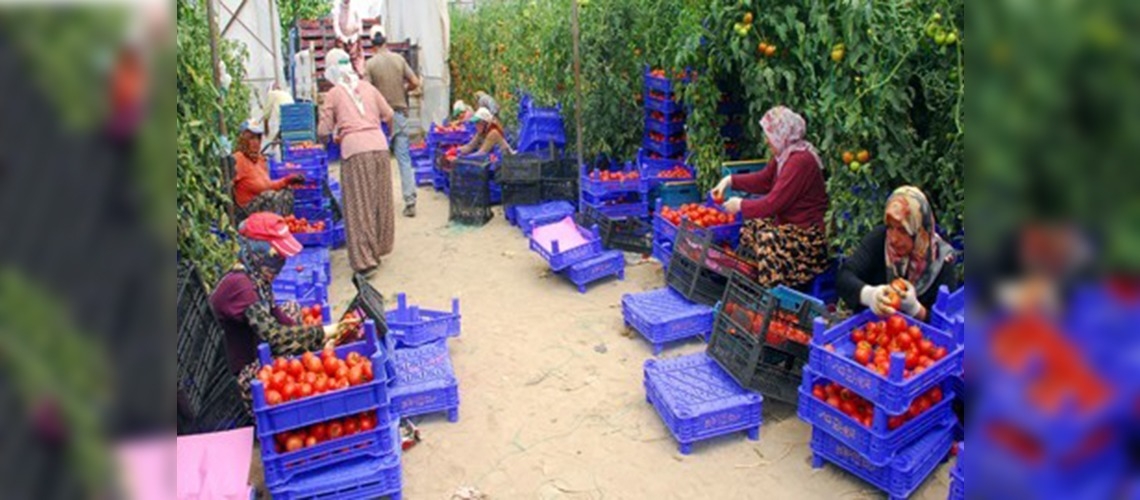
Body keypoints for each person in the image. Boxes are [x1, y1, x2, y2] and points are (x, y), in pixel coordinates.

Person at [208, 212, 358, 411]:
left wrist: (316, 345)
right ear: (257, 251)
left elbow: (280, 318)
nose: (280, 264)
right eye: (276, 256)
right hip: (236, 375)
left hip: (253, 346)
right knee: (279, 370)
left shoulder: (255, 275)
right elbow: (276, 337)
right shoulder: (240, 285)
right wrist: (323, 332)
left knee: (292, 311)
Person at [710, 106, 830, 288]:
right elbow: (765, 180)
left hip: (808, 237)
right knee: (751, 228)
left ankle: (774, 296)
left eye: (770, 136)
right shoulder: (785, 155)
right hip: (789, 227)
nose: (767, 141)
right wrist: (729, 181)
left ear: (782, 135)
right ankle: (748, 278)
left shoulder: (800, 161)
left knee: (767, 239)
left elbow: (773, 203)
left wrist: (741, 205)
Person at [318, 48, 396, 275]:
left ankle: (366, 262)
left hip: (355, 152)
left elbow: (323, 129)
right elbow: (389, 115)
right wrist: (386, 136)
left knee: (359, 205)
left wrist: (329, 136)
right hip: (379, 146)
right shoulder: (368, 87)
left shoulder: (334, 93)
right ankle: (379, 248)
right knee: (379, 201)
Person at [837, 186, 958, 321]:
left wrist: (916, 309)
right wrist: (870, 295)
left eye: (902, 230)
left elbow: (947, 322)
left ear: (919, 231)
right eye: (890, 227)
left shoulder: (941, 260)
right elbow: (845, 276)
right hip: (877, 330)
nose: (893, 239)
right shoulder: (879, 240)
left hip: (920, 338)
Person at [365, 24, 422, 218]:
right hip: (399, 115)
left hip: (380, 118)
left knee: (379, 162)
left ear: (372, 44)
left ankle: (380, 206)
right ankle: (410, 201)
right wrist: (403, 90)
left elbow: (366, 92)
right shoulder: (399, 60)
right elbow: (415, 82)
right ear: (386, 41)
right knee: (403, 158)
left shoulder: (370, 64)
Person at [232, 119, 304, 221]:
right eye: (251, 138)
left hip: (262, 205)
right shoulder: (238, 159)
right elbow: (228, 186)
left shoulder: (260, 159)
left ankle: (283, 225)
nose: (256, 142)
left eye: (258, 138)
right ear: (243, 140)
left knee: (287, 192)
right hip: (246, 212)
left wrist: (287, 180)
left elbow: (268, 185)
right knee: (269, 197)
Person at [330, 0, 364, 77]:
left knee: (357, 59)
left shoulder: (355, 6)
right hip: (342, 39)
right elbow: (336, 25)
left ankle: (358, 77)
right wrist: (342, 37)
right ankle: (344, 76)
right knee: (342, 59)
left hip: (354, 38)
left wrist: (356, 36)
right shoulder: (337, 8)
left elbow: (359, 22)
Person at [261, 83, 294, 160]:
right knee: (283, 138)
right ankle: (273, 146)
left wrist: (266, 128)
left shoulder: (271, 94)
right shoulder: (286, 94)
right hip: (292, 118)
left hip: (285, 119)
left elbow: (266, 113)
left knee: (281, 141)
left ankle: (274, 151)